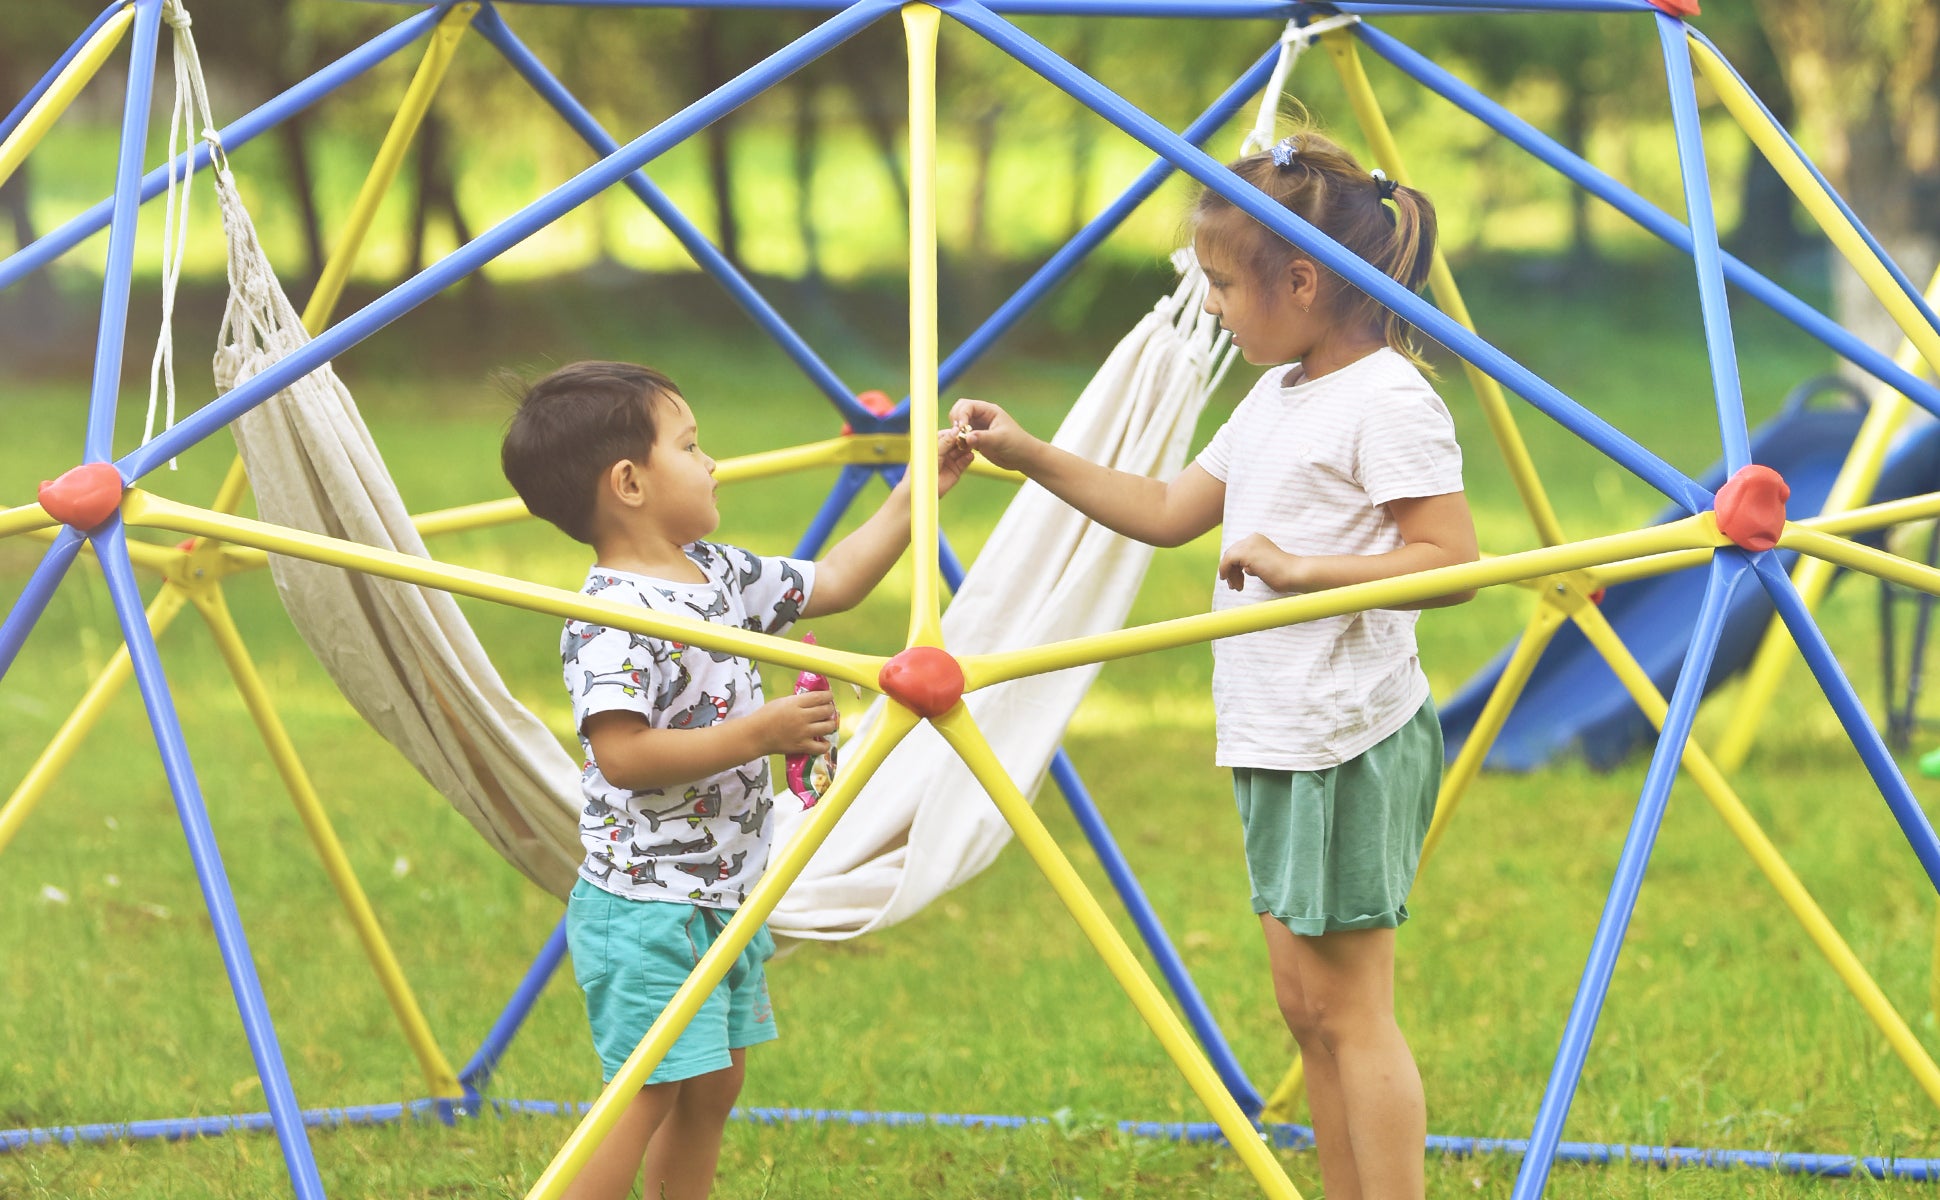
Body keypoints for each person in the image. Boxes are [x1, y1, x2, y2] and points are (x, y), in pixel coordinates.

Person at [950, 132, 1476, 1200]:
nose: (1215, 308)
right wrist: (1026, 452)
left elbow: (1450, 565)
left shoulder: (1387, 398)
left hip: (1345, 732)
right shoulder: (1276, 394)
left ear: (1301, 278)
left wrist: (1298, 569)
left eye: (1222, 285)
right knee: (1303, 1008)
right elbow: (1162, 512)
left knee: (1350, 1009)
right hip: (1275, 728)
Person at [501, 361, 969, 1200]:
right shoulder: (608, 619)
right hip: (646, 908)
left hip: (727, 892)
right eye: (691, 445)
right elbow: (624, 756)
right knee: (651, 1090)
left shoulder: (716, 573)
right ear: (630, 483)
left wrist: (917, 497)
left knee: (713, 1087)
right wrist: (758, 733)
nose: (713, 461)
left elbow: (835, 581)